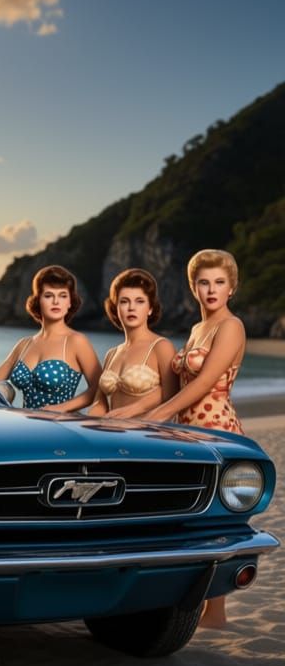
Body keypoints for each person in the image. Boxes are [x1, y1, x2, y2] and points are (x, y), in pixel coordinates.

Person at [146, 248, 247, 628]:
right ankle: (200, 607)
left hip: (216, 429)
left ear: (231, 288)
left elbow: (205, 382)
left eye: (219, 282)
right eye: (203, 282)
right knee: (189, 519)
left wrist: (157, 416)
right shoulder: (195, 330)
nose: (211, 289)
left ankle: (215, 614)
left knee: (213, 523)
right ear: (193, 286)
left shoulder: (231, 326)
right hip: (187, 431)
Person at [0, 265, 101, 412]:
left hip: (60, 427)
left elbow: (99, 388)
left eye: (63, 296)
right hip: (25, 426)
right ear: (38, 301)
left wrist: (61, 408)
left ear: (70, 302)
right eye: (48, 295)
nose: (56, 301)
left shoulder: (76, 341)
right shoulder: (24, 344)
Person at [88, 268, 176, 418]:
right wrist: (87, 427)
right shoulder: (112, 354)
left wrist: (134, 409)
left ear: (150, 309)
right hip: (110, 433)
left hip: (145, 434)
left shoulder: (161, 347)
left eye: (140, 301)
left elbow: (172, 394)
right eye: (124, 301)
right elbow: (100, 403)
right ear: (116, 309)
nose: (131, 308)